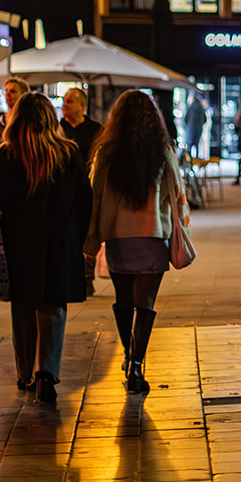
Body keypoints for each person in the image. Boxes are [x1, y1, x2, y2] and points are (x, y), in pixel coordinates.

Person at [0, 92, 92, 406]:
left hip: (18, 243)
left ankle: (24, 373)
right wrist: (78, 239)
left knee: (22, 304)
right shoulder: (68, 153)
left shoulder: (6, 155)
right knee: (54, 305)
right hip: (60, 242)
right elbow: (84, 200)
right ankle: (47, 373)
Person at [87, 90, 185, 396]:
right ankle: (137, 367)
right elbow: (176, 193)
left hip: (118, 238)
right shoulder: (162, 151)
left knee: (124, 300)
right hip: (152, 237)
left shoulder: (106, 153)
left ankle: (129, 355)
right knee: (145, 304)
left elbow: (94, 195)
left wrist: (91, 237)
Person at [60, 86, 102, 165]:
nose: (64, 105)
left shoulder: (96, 129)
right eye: (64, 101)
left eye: (69, 102)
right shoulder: (57, 128)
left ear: (82, 105)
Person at [0, 74, 30, 147]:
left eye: (12, 91)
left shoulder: (27, 121)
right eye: (6, 90)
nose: (7, 94)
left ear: (23, 95)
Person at [183, 91, 210, 156]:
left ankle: (189, 158)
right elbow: (205, 120)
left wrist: (187, 126)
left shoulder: (190, 108)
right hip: (198, 129)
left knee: (189, 144)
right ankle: (196, 158)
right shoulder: (201, 109)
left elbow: (186, 119)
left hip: (190, 128)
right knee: (196, 144)